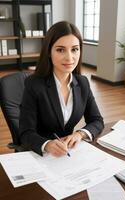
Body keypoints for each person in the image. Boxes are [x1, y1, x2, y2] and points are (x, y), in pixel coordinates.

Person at [19, 21, 104, 157]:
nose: (69, 57)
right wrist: (46, 144)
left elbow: (97, 120)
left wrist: (80, 134)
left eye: (74, 49)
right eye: (60, 50)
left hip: (68, 153)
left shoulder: (83, 83)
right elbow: (25, 132)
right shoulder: (34, 84)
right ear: (48, 52)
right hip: (40, 155)